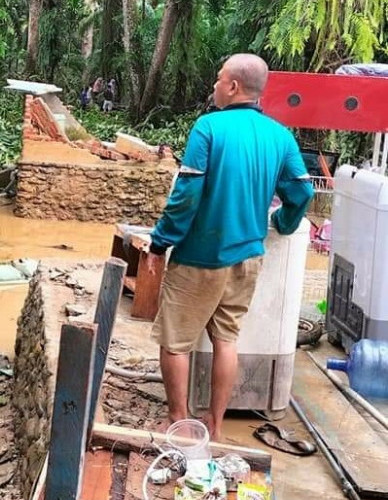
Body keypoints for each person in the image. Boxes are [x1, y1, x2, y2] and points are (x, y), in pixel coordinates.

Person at [145, 53, 314, 442]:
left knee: (176, 342)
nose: (215, 87)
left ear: (234, 86)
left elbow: (186, 194)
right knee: (226, 339)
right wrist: (283, 224)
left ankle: (178, 422)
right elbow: (302, 190)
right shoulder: (279, 135)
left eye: (219, 80)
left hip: (199, 258)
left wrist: (159, 242)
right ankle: (216, 427)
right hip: (248, 258)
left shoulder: (209, 128)